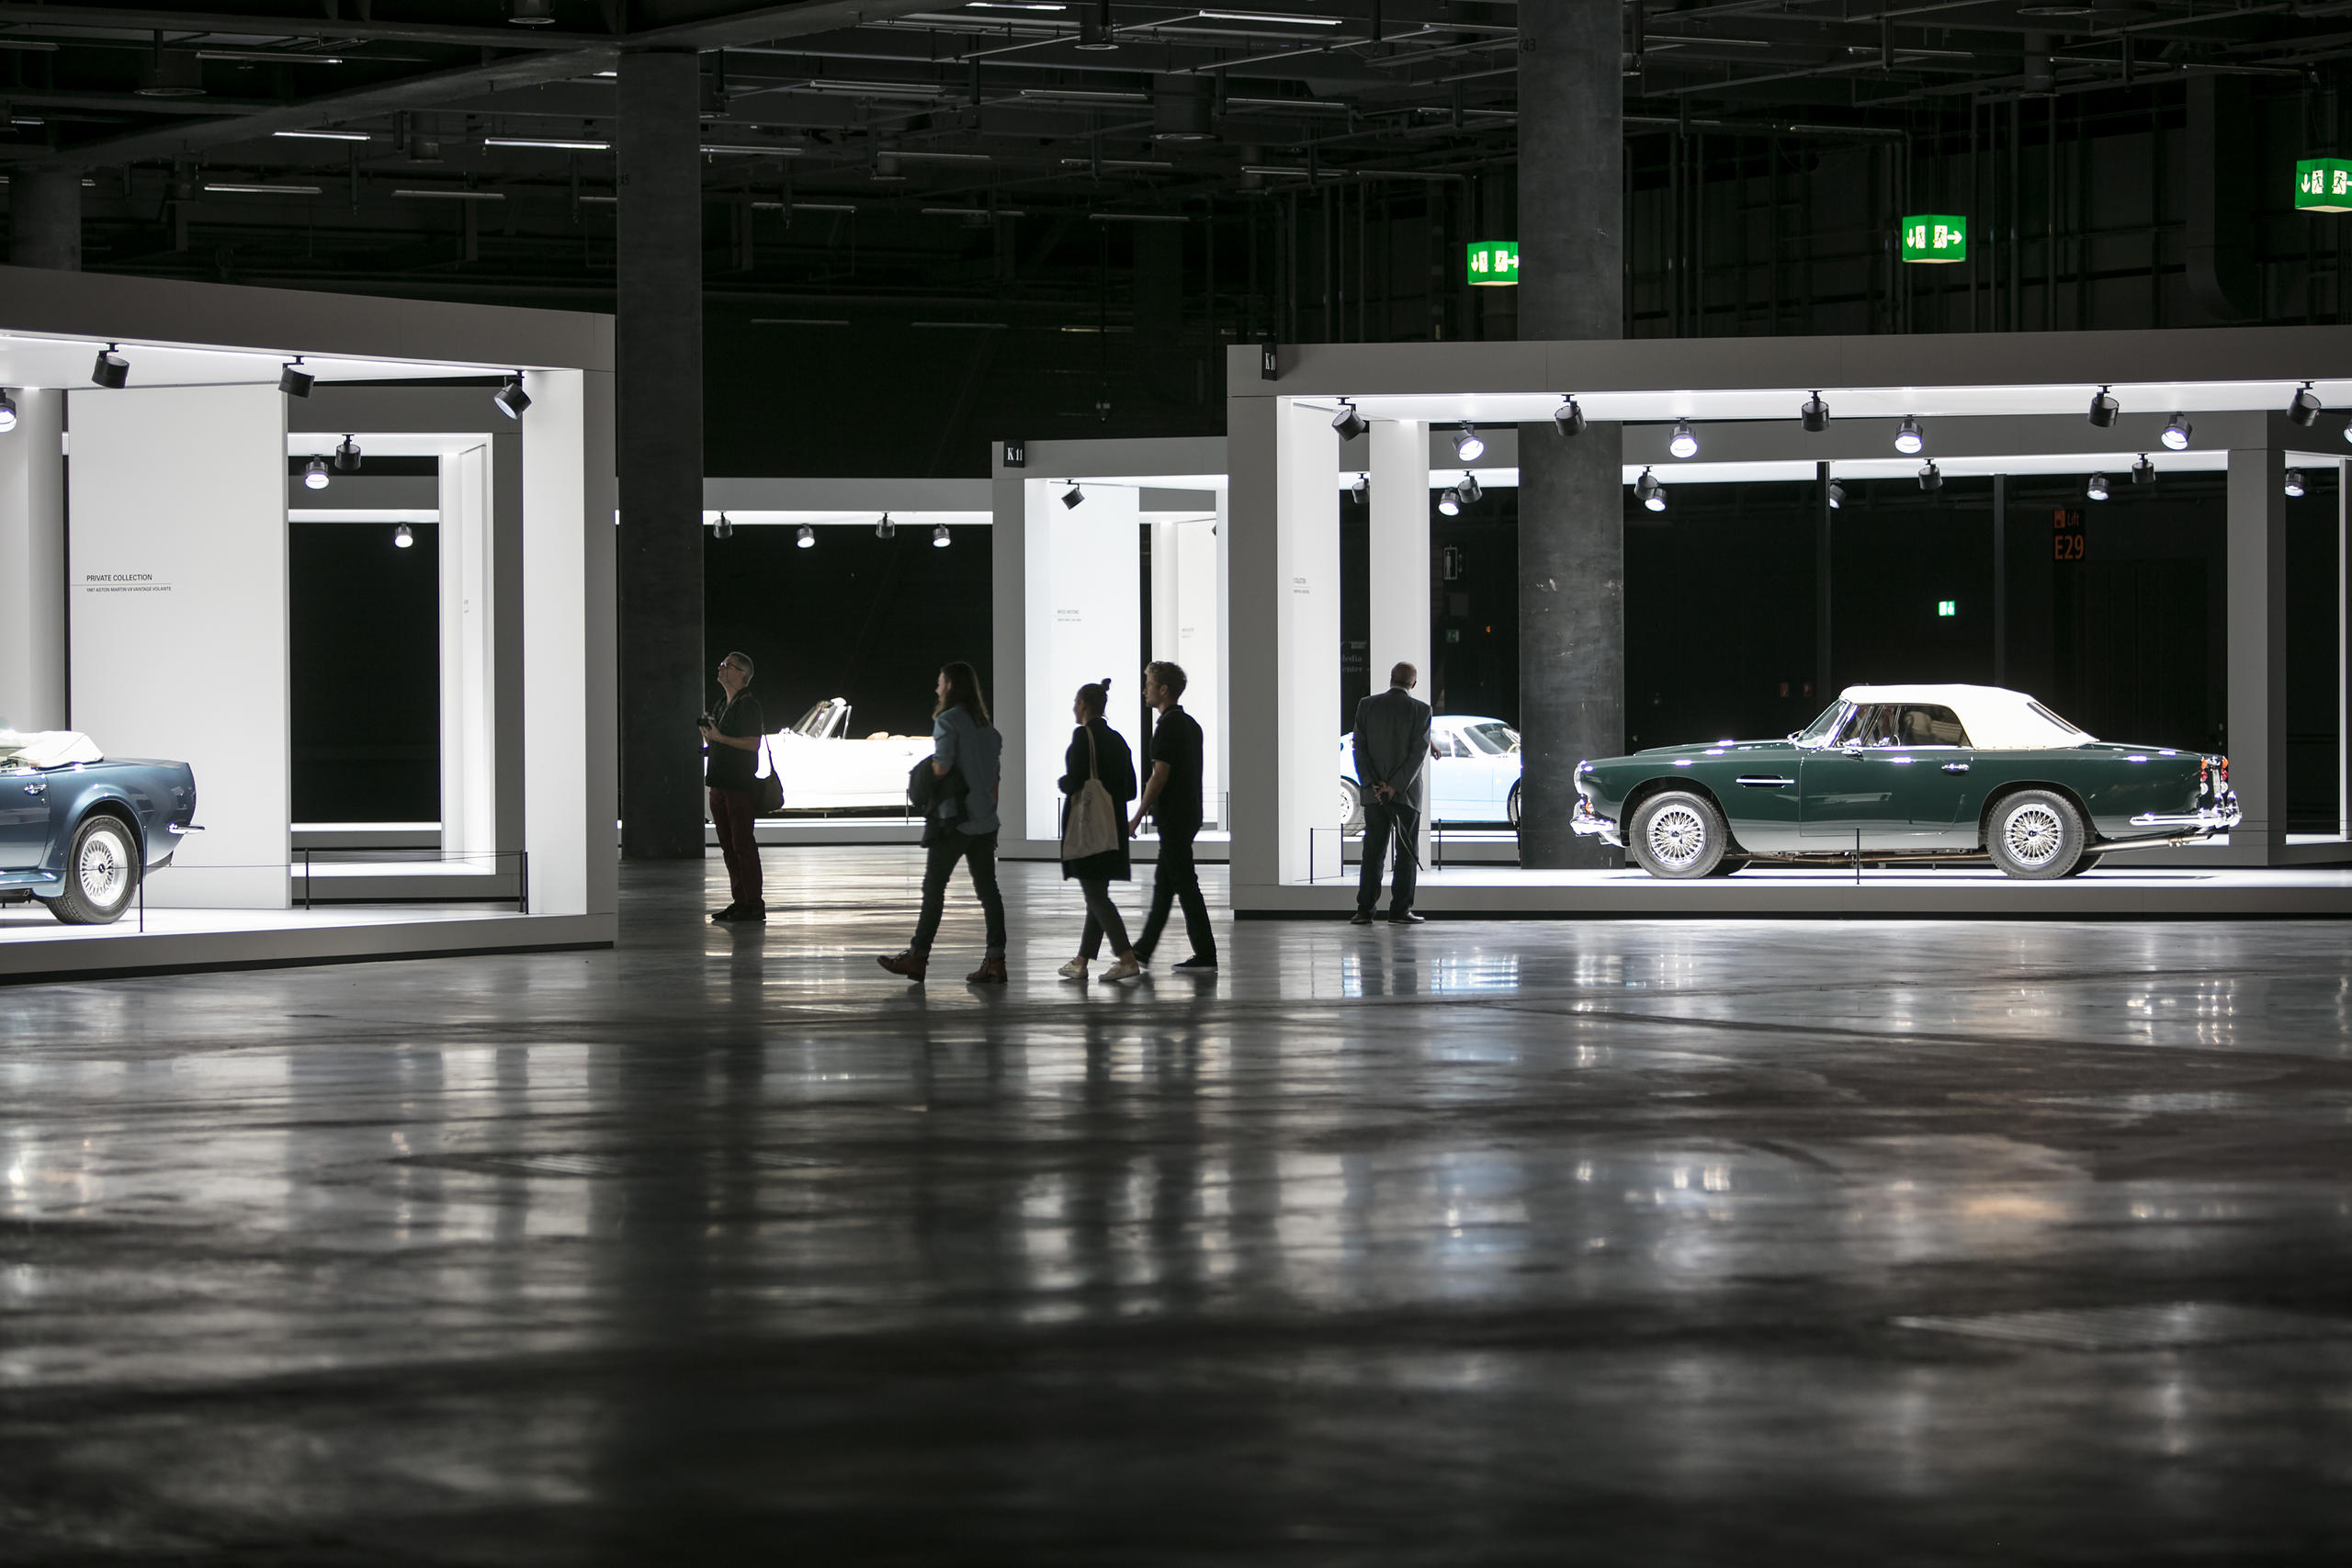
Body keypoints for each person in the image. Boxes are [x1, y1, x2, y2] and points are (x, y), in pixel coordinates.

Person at [878, 661, 1008, 985]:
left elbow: (941, 767)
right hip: (984, 821)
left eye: (940, 682)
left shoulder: (948, 720)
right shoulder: (990, 731)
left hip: (954, 820)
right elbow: (995, 782)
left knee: (934, 889)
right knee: (988, 891)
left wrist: (922, 771)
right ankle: (996, 961)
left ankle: (918, 958)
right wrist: (992, 819)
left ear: (950, 686)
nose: (937, 688)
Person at [1129, 660, 1217, 971]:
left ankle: (1205, 954)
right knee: (1165, 885)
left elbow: (1159, 776)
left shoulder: (1167, 727)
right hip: (1188, 814)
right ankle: (1143, 949)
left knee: (1184, 885)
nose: (1145, 691)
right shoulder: (1191, 725)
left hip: (1174, 817)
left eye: (1149, 685)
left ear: (1163, 690)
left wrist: (1137, 816)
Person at [1057, 678, 1142, 983]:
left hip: (1089, 830)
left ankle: (1127, 959)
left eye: (1075, 702)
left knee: (1096, 896)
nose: (1073, 707)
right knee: (1097, 895)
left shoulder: (1083, 736)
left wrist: (1063, 783)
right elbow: (1131, 790)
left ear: (1083, 705)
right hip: (1112, 828)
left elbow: (1075, 779)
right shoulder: (1118, 740)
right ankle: (1081, 961)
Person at [1351, 660, 1433, 926]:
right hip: (1406, 794)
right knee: (1406, 853)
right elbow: (1418, 753)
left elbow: (1359, 748)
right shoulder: (1421, 710)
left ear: (1390, 678)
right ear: (1413, 684)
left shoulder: (1367, 705)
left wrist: (1373, 783)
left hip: (1374, 794)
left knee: (1373, 852)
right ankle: (1400, 911)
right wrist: (1395, 786)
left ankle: (1365, 911)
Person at [699, 650, 766, 924]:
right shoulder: (721, 705)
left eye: (727, 665)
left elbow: (753, 744)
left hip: (739, 785)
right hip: (719, 783)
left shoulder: (748, 706)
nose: (721, 668)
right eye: (722, 664)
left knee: (742, 845)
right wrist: (710, 736)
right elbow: (718, 741)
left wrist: (719, 737)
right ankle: (741, 901)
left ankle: (754, 903)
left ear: (742, 674)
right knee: (729, 846)